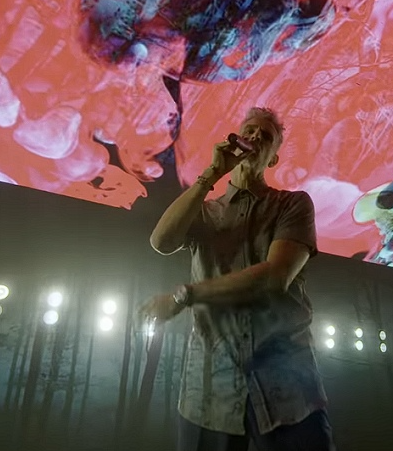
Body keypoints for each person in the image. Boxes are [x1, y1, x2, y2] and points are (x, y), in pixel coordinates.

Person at [141, 107, 336, 451]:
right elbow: (161, 241)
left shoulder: (292, 205)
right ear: (236, 140)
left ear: (273, 159)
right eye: (250, 130)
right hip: (210, 389)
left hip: (288, 389)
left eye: (267, 136)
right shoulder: (206, 211)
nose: (256, 136)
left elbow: (275, 276)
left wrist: (187, 294)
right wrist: (212, 173)